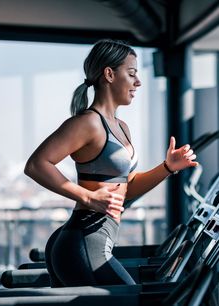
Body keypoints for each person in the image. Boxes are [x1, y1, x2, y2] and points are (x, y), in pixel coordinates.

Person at [24, 39, 198, 287]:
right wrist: (87, 197)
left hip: (92, 239)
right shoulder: (87, 123)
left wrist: (167, 167)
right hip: (85, 240)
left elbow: (126, 189)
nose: (138, 82)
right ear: (109, 74)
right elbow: (36, 164)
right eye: (131, 73)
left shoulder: (121, 127)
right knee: (131, 298)